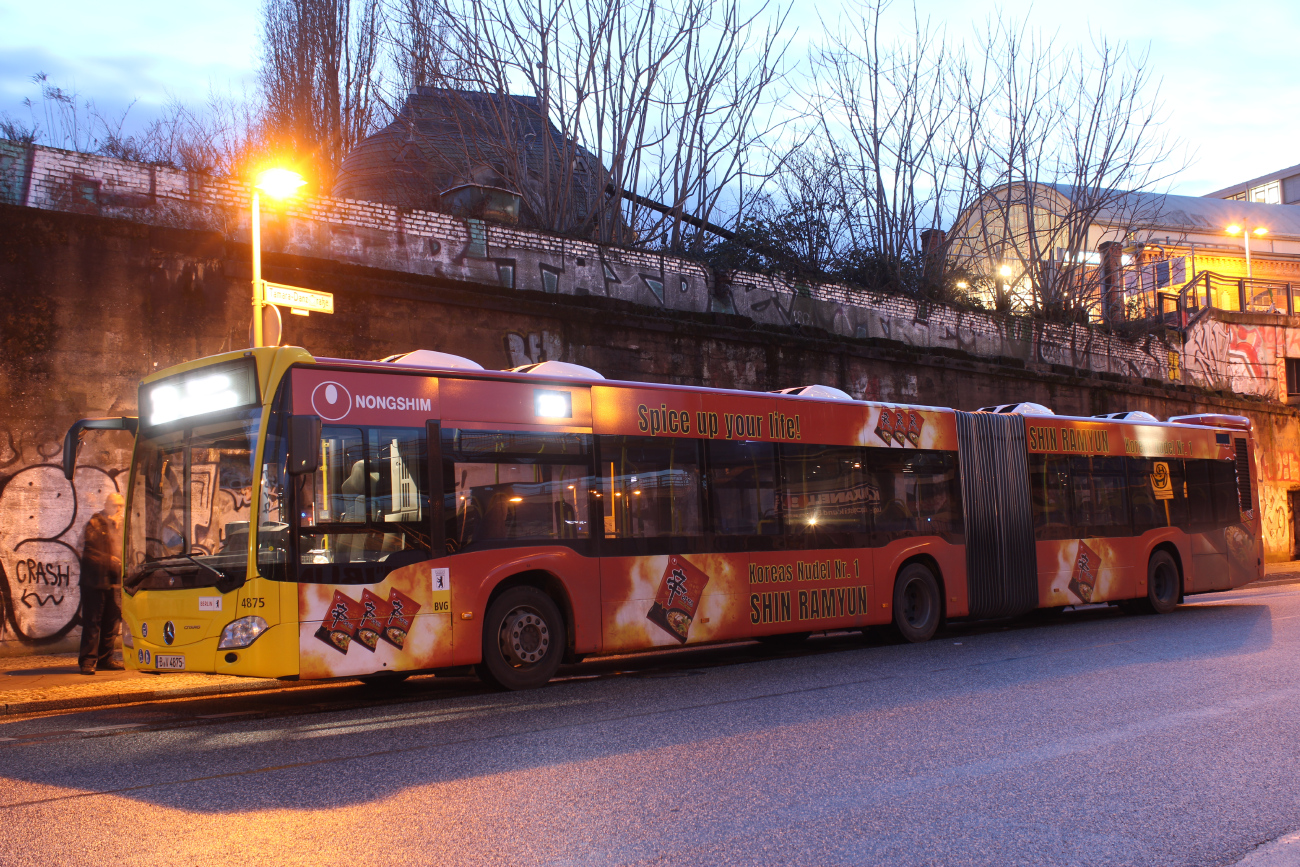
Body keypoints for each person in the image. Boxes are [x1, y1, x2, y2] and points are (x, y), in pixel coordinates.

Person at [79, 492, 125, 675]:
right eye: (115, 505)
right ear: (106, 505)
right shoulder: (95, 523)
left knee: (111, 623)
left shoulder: (122, 526)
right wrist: (111, 560)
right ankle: (88, 661)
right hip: (95, 582)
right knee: (92, 623)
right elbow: (88, 552)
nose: (119, 509)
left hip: (115, 582)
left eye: (121, 505)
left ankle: (106, 658)